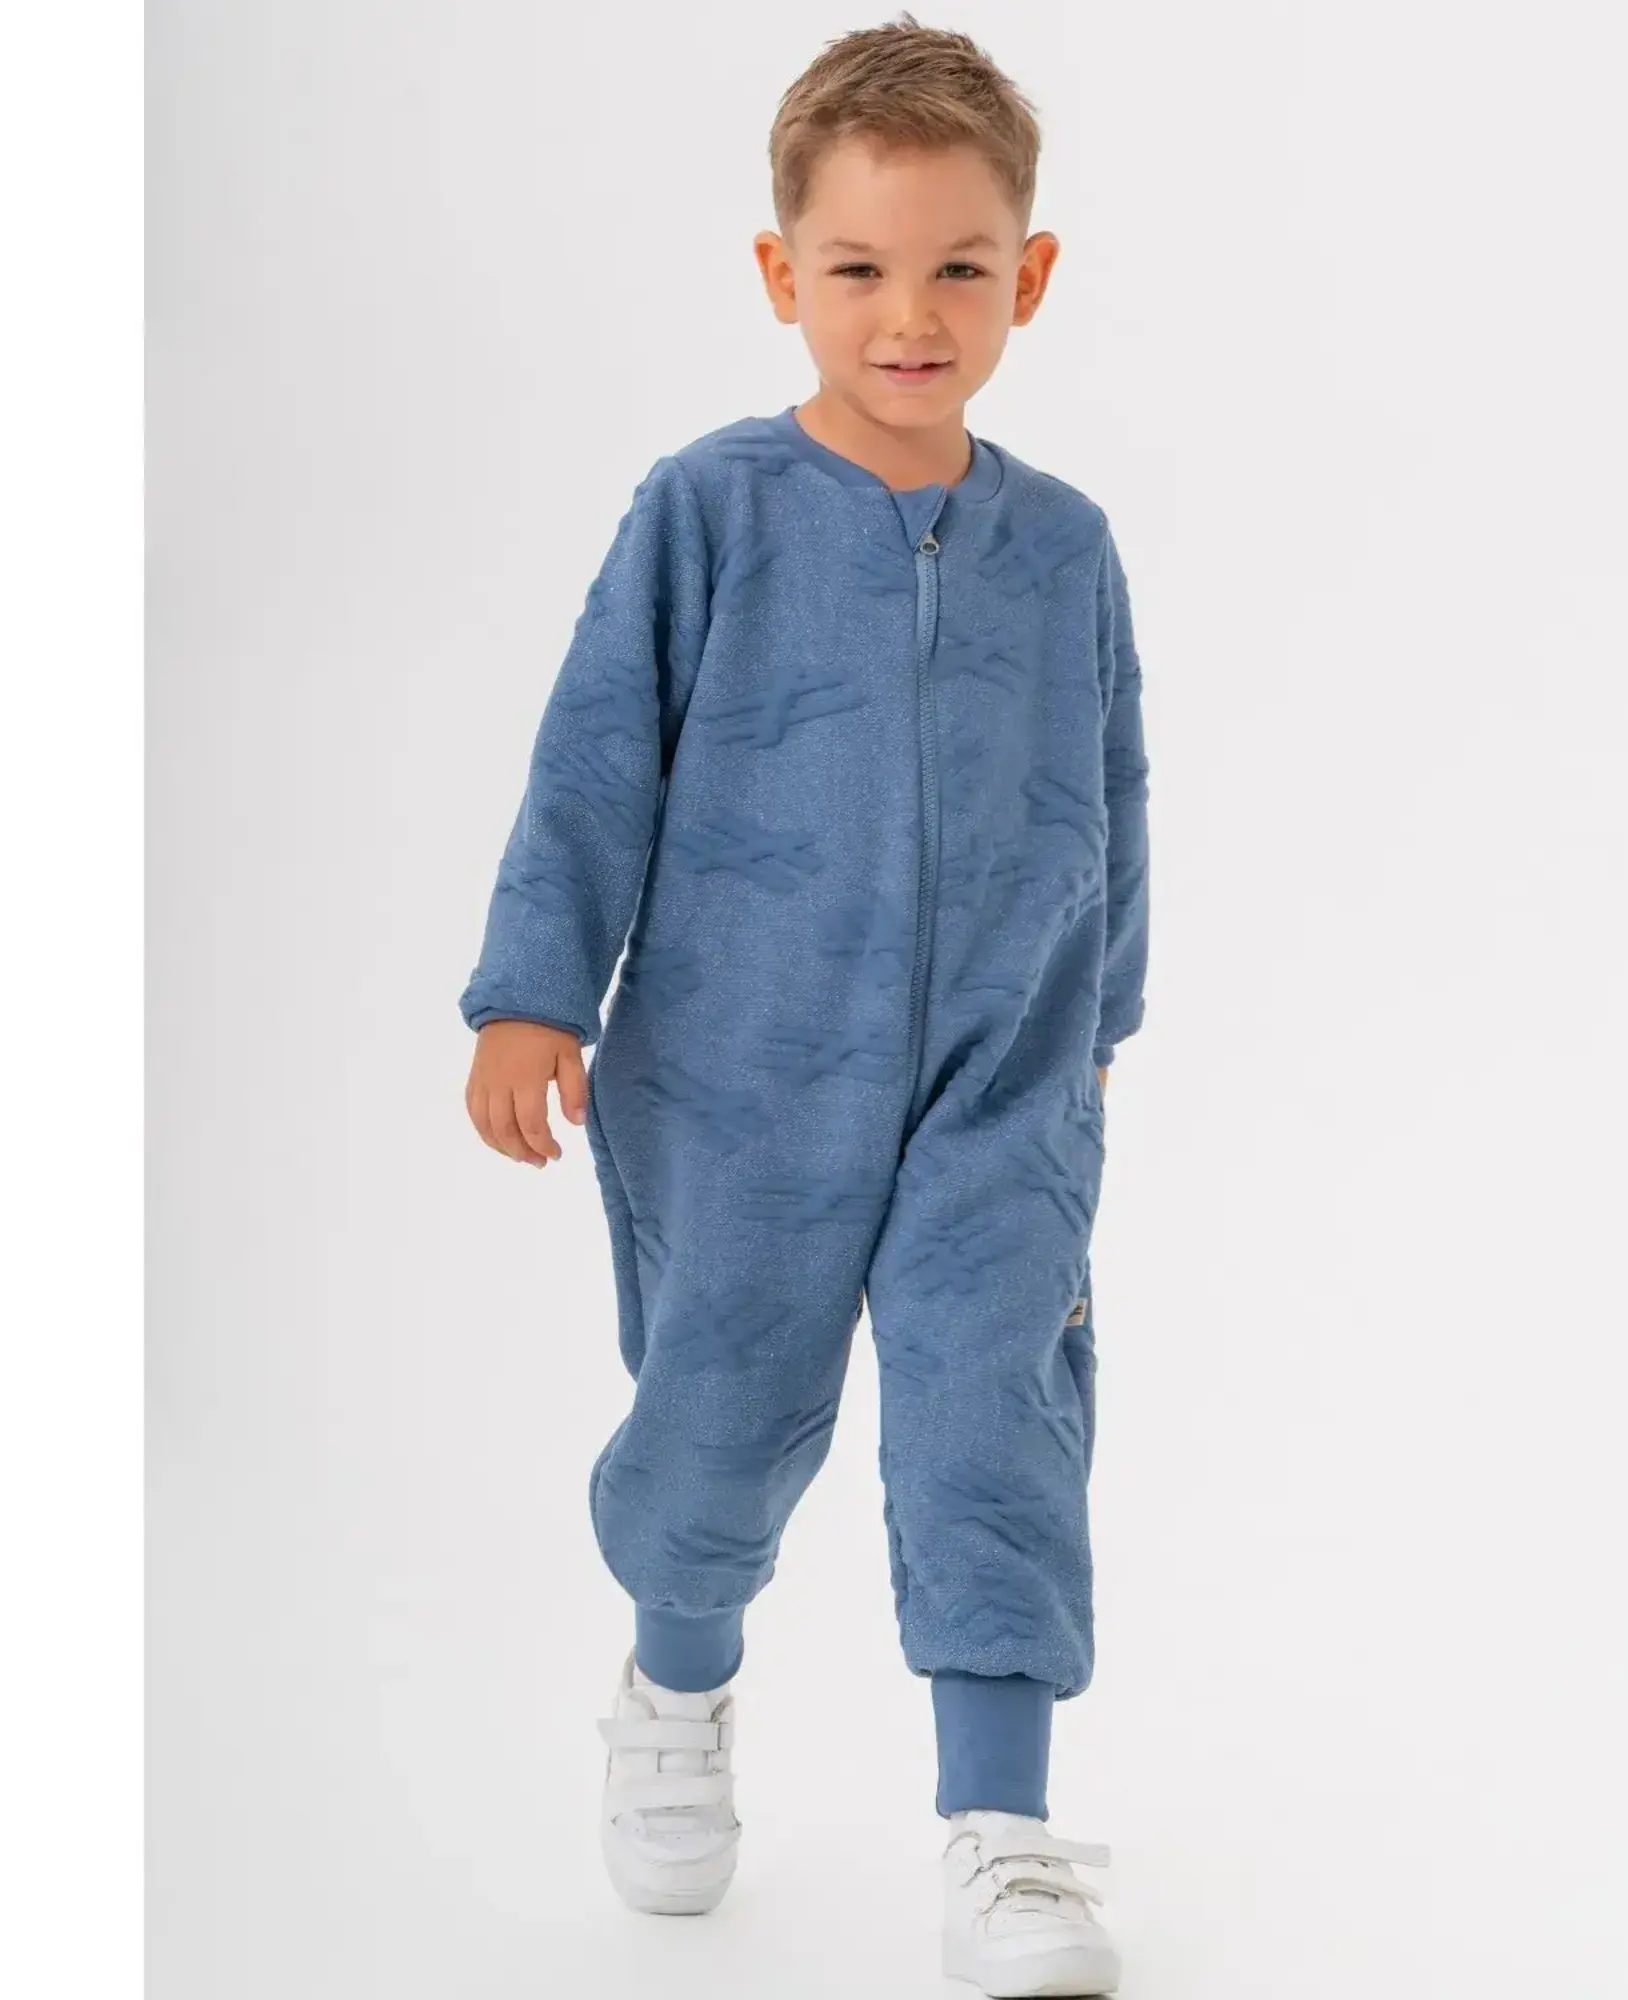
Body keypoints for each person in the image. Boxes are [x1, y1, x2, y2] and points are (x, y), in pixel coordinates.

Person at [458, 15, 1149, 1994]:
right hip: (740, 1070)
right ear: (781, 274)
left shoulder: (1067, 548)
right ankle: (675, 1686)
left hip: (1001, 1086)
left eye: (957, 267)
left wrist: (1102, 1027)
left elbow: (1112, 789)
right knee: (717, 1421)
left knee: (995, 1419)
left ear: (1028, 275)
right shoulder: (711, 510)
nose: (908, 315)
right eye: (857, 267)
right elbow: (594, 757)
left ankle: (1002, 1831)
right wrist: (531, 991)